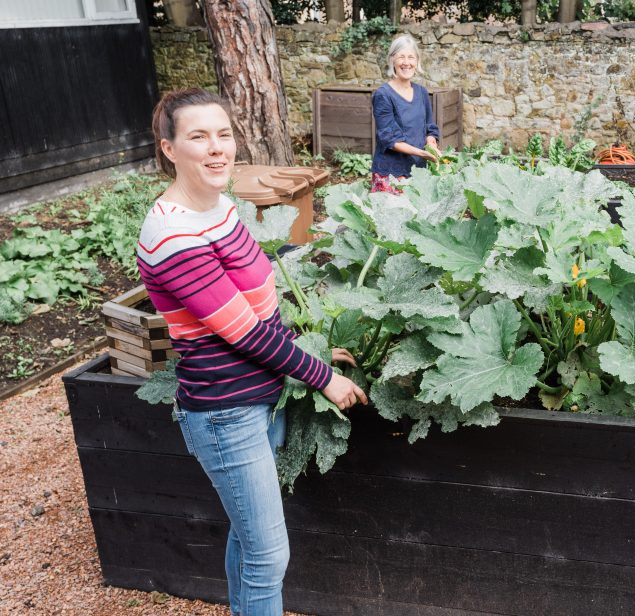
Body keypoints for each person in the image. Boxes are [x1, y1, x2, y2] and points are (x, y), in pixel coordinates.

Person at [138, 88, 367, 616]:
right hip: (226, 414)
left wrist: (312, 349)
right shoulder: (173, 234)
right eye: (198, 136)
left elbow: (259, 310)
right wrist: (322, 376)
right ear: (169, 149)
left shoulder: (219, 208)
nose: (217, 148)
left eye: (224, 134)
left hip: (260, 398)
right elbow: (241, 331)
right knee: (268, 555)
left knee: (248, 540)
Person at [370, 34, 441, 194]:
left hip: (419, 173)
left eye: (411, 57)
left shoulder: (422, 92)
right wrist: (422, 153)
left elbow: (430, 127)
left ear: (417, 61)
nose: (406, 62)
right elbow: (390, 139)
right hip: (391, 175)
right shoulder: (383, 95)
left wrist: (431, 143)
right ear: (392, 60)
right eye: (401, 57)